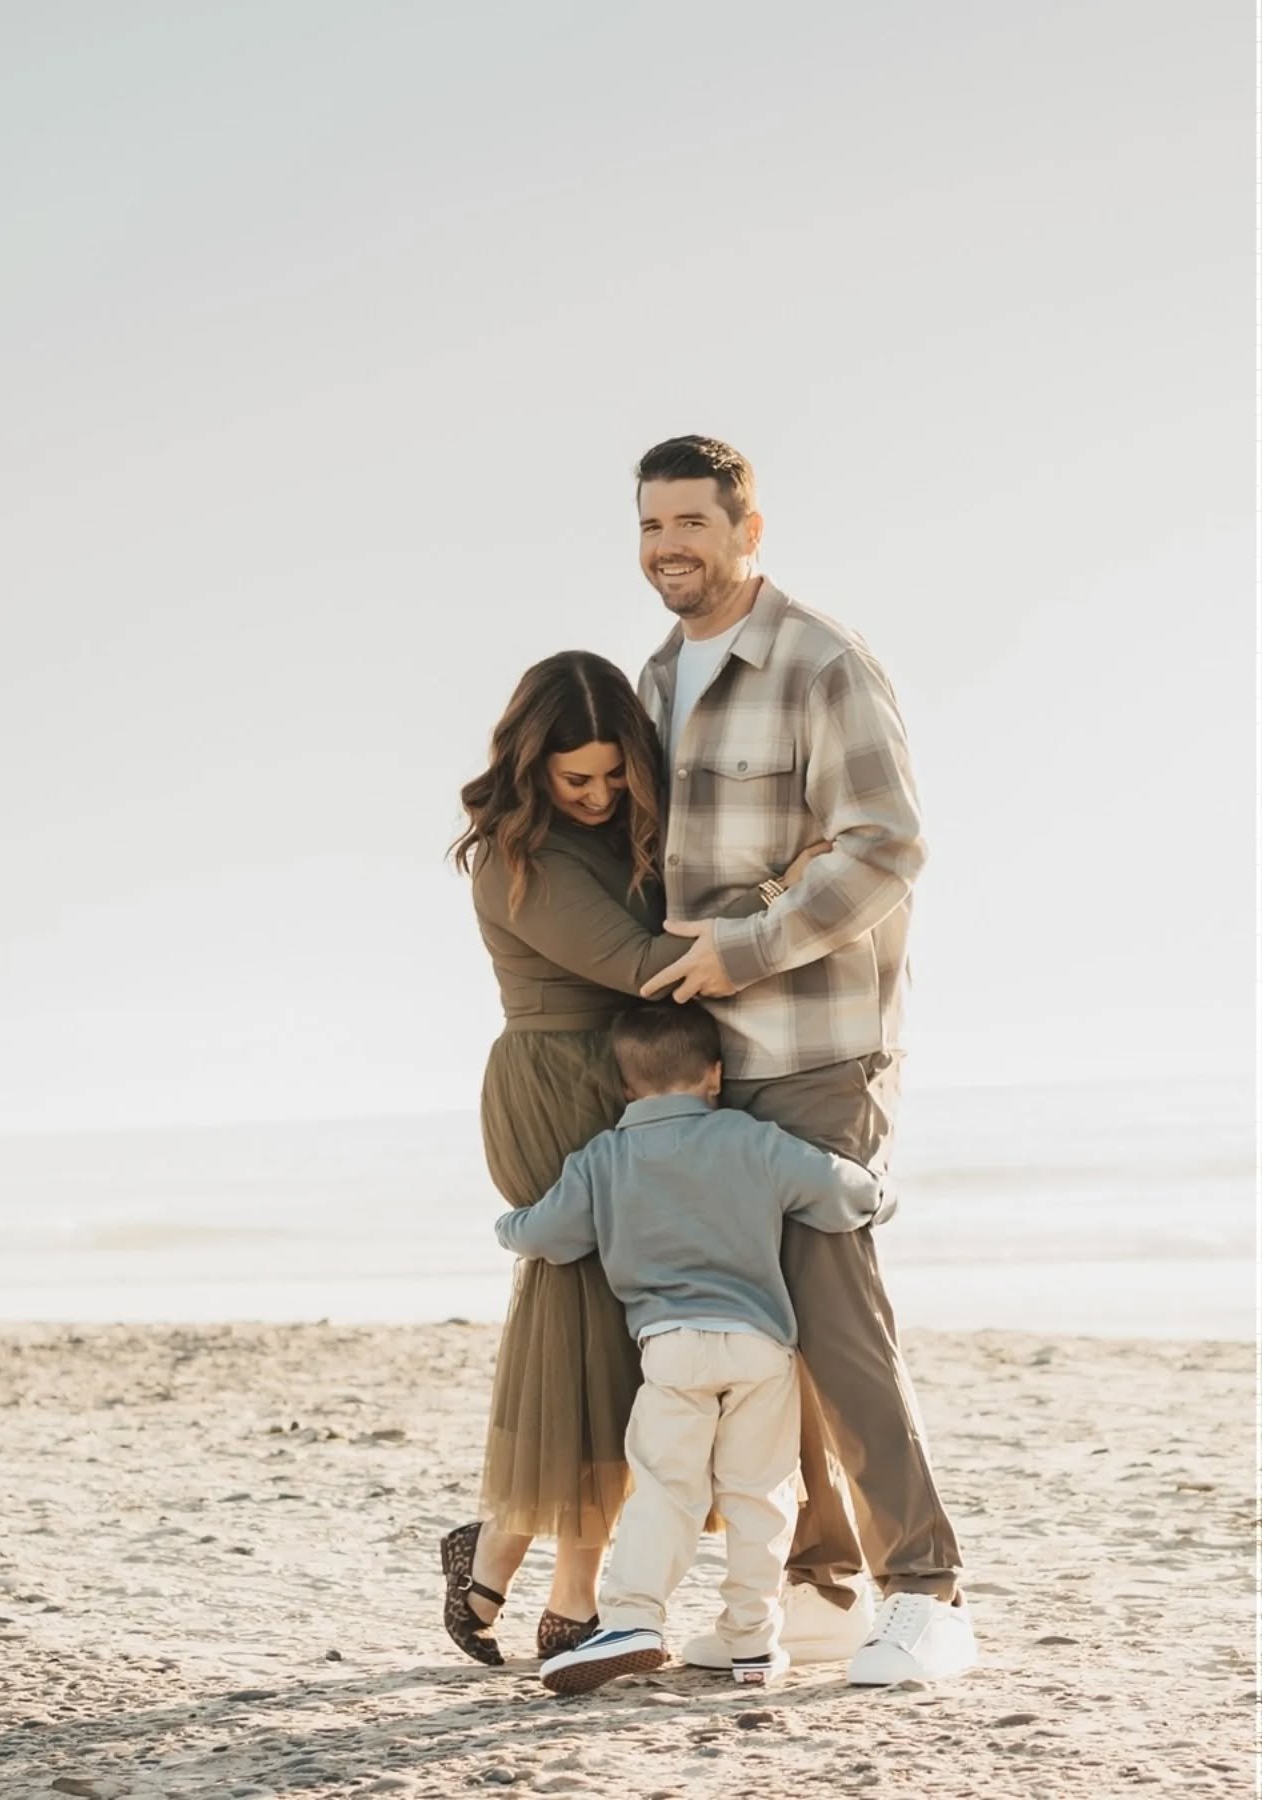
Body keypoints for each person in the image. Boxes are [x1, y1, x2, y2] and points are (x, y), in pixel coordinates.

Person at [632, 434, 978, 1686]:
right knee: (755, 1323)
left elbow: (888, 846)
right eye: (650, 527)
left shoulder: (821, 661)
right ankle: (823, 1575)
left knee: (836, 1315)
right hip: (705, 1062)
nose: (669, 547)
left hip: (819, 1044)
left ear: (747, 527)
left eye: (692, 523)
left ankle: (928, 1591)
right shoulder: (658, 679)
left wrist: (749, 948)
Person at [440, 651, 825, 1667]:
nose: (602, 796)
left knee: (620, 1337)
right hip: (560, 1081)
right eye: (579, 781)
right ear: (533, 769)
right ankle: (562, 1584)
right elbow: (647, 965)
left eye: (617, 776)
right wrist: (803, 924)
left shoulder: (624, 836)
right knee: (587, 1326)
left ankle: (501, 1549)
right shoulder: (513, 859)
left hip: (629, 1076)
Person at [495, 1001, 891, 1696]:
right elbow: (838, 1188)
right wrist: (880, 1196)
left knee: (665, 1491)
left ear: (625, 1087)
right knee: (757, 1494)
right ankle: (750, 1640)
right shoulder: (751, 1140)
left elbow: (546, 1236)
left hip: (671, 1349)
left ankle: (634, 1619)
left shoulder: (603, 1159)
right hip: (760, 1347)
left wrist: (507, 1225)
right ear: (715, 1075)